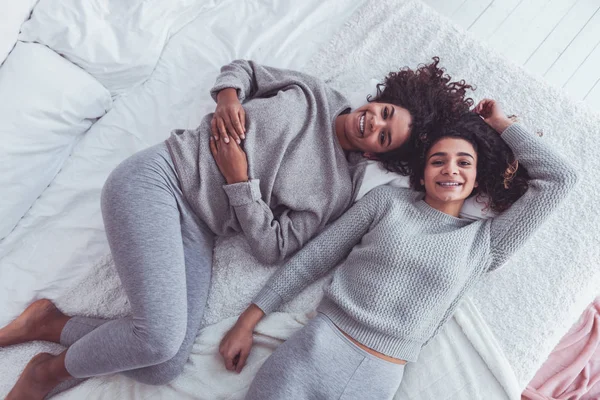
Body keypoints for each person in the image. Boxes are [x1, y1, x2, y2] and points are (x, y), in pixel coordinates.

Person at [1, 58, 475, 399]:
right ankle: (46, 374)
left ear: (378, 155)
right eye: (385, 112)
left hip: (200, 226)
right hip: (161, 177)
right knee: (158, 340)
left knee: (162, 363)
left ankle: (50, 323)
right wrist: (228, 97)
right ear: (382, 99)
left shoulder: (336, 193)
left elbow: (274, 247)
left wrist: (238, 181)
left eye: (383, 137)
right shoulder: (315, 93)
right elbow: (243, 70)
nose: (373, 124)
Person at [219, 99, 579, 400]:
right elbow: (314, 259)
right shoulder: (387, 203)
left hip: (377, 380)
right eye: (438, 160)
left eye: (463, 162)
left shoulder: (486, 243)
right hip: (312, 352)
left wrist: (502, 124)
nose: (449, 169)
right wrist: (246, 322)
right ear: (422, 174)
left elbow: (560, 178)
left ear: (476, 178)